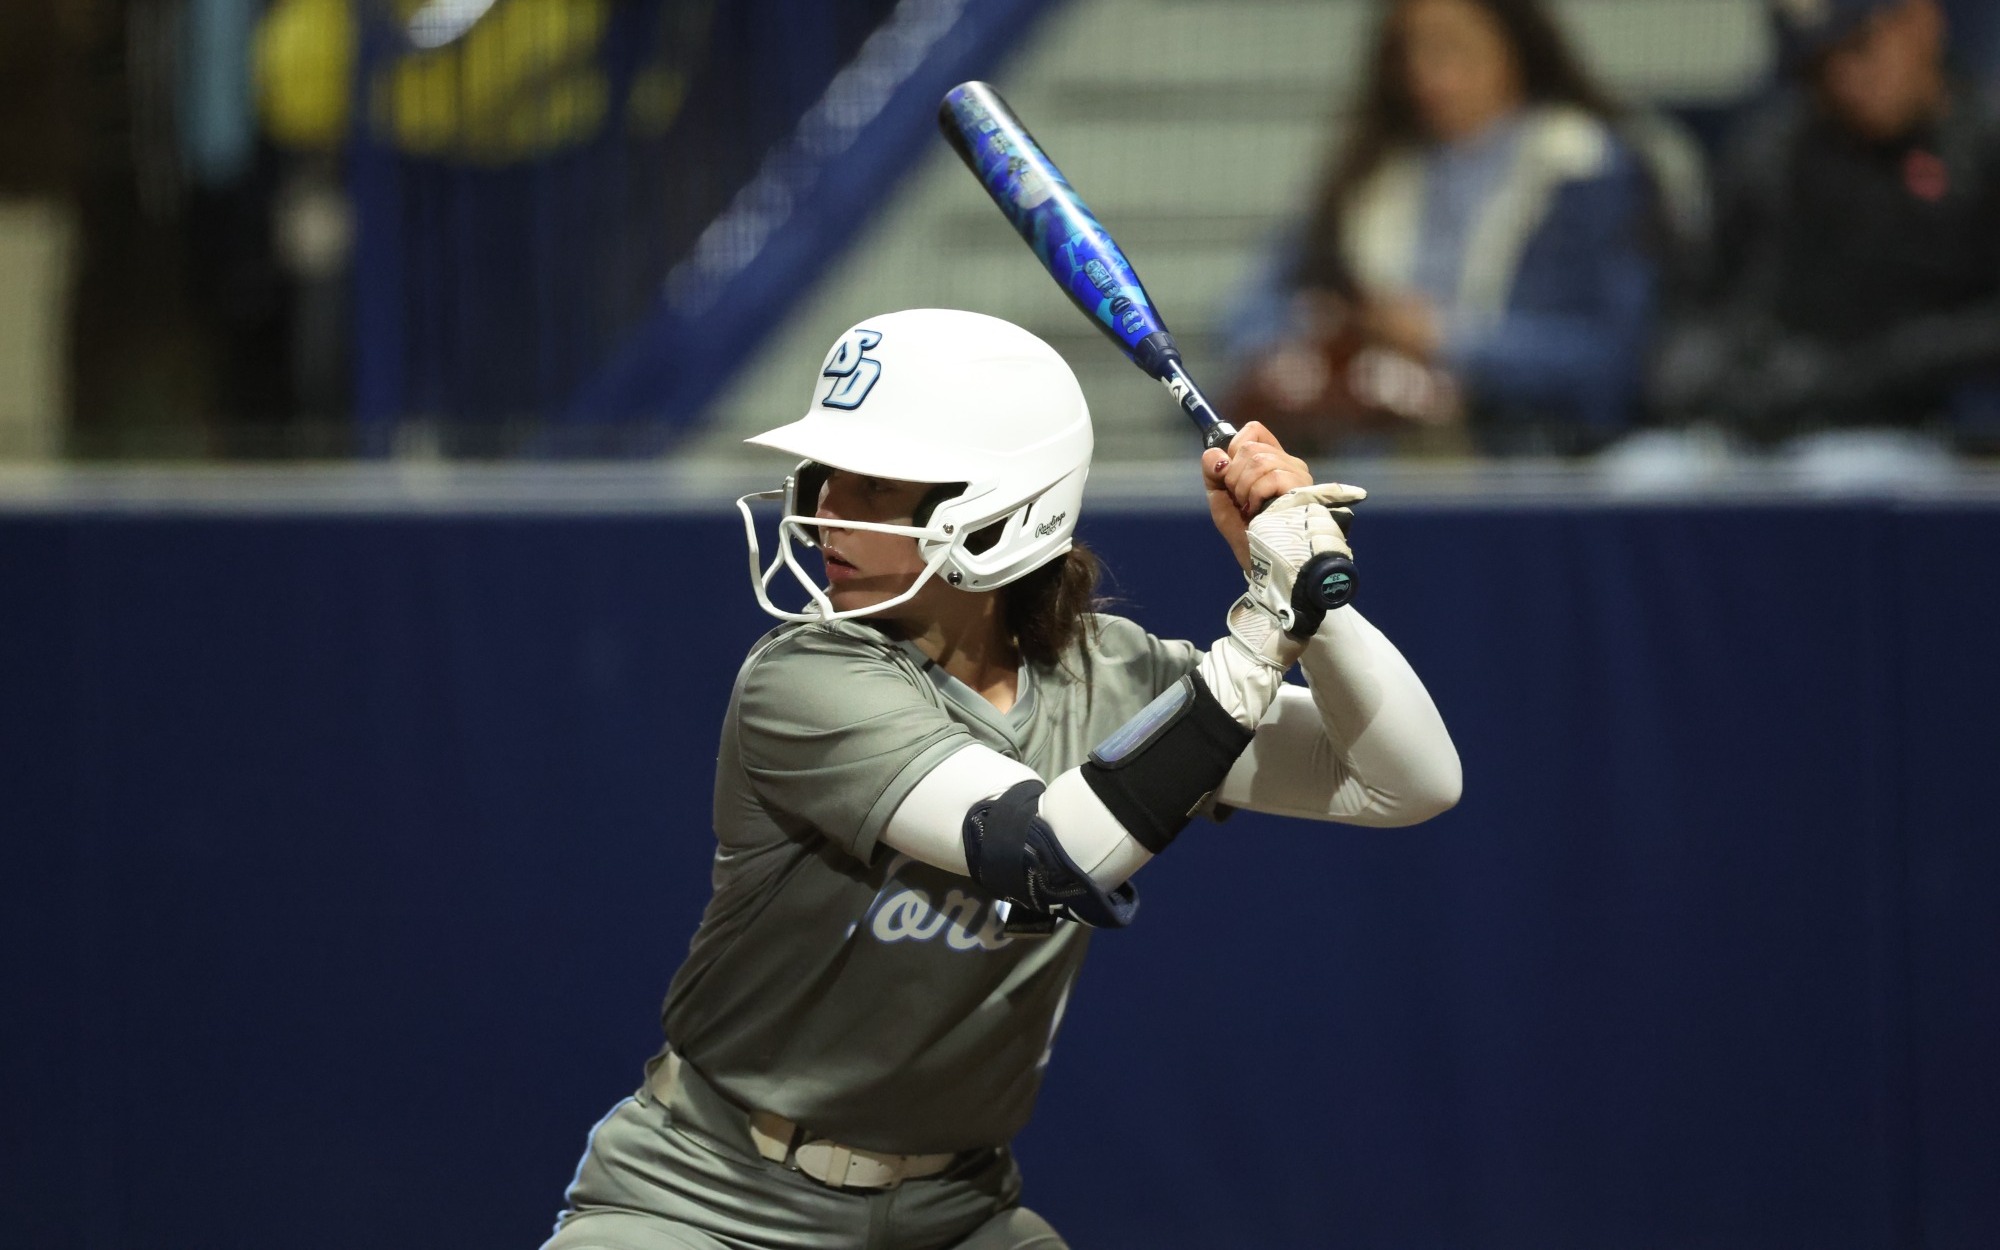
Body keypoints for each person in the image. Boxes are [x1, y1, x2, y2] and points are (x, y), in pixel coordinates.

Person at [540, 308, 1461, 1250]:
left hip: (956, 1214)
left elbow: (1408, 781)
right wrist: (1268, 626)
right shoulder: (804, 677)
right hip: (708, 1198)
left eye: (874, 482)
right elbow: (1049, 850)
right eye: (823, 475)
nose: (822, 509)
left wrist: (1313, 594)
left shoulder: (1115, 677)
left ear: (1001, 506)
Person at [1229, 0, 1668, 457]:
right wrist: (1306, 344)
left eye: (1454, 48)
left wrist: (1446, 339)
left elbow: (1616, 366)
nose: (1428, 73)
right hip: (1368, 446)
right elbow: (1251, 312)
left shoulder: (1585, 168)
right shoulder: (1370, 170)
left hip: (1533, 452)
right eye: (1411, 52)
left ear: (1517, 46)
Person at [1655, 0, 2000, 453]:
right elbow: (1703, 299)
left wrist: (1878, 368)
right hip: (1766, 422)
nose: (1843, 78)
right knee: (1649, 473)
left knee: (1840, 472)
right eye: (1819, 65)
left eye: (1860, 46)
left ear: (1921, 19)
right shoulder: (1775, 152)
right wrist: (1707, 368)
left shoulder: (1983, 146)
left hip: (1922, 425)